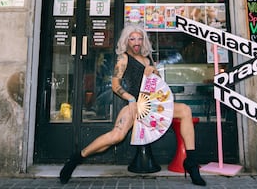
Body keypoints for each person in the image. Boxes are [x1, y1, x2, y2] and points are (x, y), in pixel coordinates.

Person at [59, 25, 206, 186]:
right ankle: (76, 158)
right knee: (117, 136)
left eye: (139, 38)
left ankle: (191, 162)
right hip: (134, 104)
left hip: (151, 105)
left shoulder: (148, 58)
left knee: (185, 110)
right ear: (127, 41)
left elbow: (156, 84)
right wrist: (130, 99)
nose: (136, 42)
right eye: (132, 38)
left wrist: (154, 72)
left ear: (143, 41)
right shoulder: (123, 58)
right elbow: (115, 85)